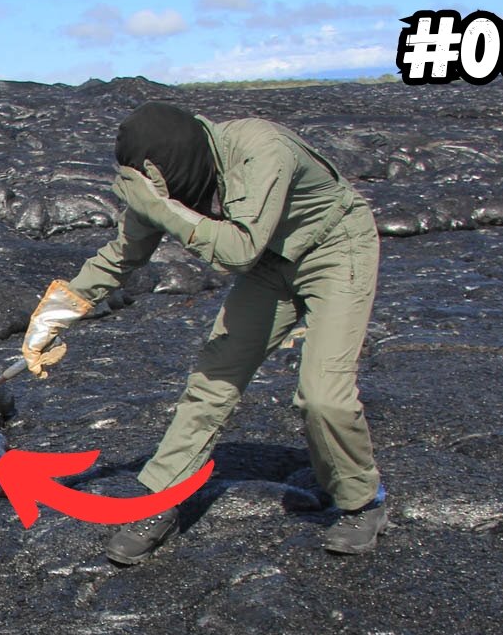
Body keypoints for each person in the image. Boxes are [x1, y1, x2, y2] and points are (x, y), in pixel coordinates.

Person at [20, 101, 386, 563]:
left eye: (158, 186)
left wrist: (159, 205)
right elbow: (121, 256)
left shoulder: (260, 148)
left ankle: (362, 502)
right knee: (211, 381)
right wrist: (53, 317)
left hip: (334, 250)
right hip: (269, 268)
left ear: (175, 163)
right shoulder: (159, 186)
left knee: (323, 397)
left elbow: (237, 250)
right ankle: (162, 499)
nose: (155, 196)